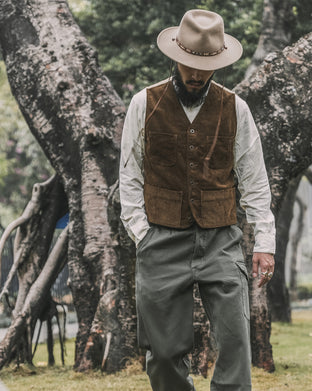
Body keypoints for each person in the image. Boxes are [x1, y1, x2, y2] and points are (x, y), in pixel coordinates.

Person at [119, 9, 275, 391]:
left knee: (236, 341)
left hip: (221, 239)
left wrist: (265, 243)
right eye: (189, 65)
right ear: (175, 57)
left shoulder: (236, 108)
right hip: (160, 237)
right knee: (163, 353)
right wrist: (143, 234)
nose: (196, 74)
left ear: (217, 65)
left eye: (205, 67)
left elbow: (254, 180)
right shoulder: (144, 103)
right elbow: (129, 174)